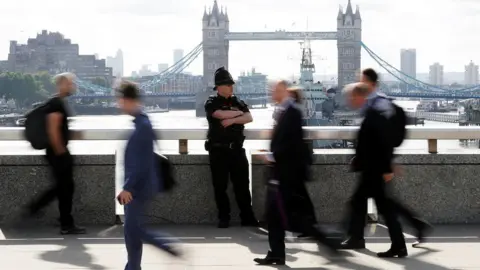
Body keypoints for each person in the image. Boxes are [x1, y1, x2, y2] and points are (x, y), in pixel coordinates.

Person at [254, 81, 339, 266]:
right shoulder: (285, 111)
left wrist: (271, 156)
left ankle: (326, 241)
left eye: (274, 90)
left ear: (283, 91)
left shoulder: (292, 113)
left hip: (286, 174)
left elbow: (291, 144)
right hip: (282, 172)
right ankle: (277, 253)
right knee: (275, 216)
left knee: (290, 218)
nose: (271, 93)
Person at [355, 68, 432, 247]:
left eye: (362, 81)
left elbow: (385, 136)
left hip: (378, 163)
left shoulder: (379, 103)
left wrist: (388, 164)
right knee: (376, 201)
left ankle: (360, 238)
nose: (359, 84)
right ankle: (413, 228)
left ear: (370, 83)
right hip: (374, 162)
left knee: (381, 203)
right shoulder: (372, 102)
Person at [116, 81, 182, 270]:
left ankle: (168, 247)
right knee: (131, 232)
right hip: (139, 186)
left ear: (129, 100)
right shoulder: (141, 122)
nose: (119, 105)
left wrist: (128, 187)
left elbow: (141, 163)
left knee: (134, 230)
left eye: (121, 100)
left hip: (139, 188)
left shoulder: (142, 125)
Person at [342, 82, 407, 258]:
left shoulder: (374, 114)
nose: (350, 100)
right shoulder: (370, 113)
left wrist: (387, 168)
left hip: (375, 170)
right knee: (367, 204)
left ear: (360, 96)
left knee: (378, 207)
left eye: (352, 97)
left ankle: (357, 238)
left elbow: (383, 142)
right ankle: (359, 238)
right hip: (371, 169)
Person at [26, 72, 85, 235]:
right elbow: (53, 129)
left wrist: (72, 136)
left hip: (56, 152)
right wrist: (62, 153)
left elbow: (59, 129)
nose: (73, 86)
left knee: (63, 188)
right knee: (64, 188)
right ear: (62, 84)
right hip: (57, 153)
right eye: (71, 83)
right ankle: (63, 222)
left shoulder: (58, 102)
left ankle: (60, 219)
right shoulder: (56, 104)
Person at [204, 67, 258, 228]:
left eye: (232, 84)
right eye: (228, 84)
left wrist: (233, 119)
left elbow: (249, 117)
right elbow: (219, 115)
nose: (231, 87)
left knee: (242, 185)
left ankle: (247, 217)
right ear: (219, 87)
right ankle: (224, 217)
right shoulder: (211, 102)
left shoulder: (238, 102)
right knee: (220, 186)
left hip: (236, 150)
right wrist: (237, 114)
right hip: (218, 150)